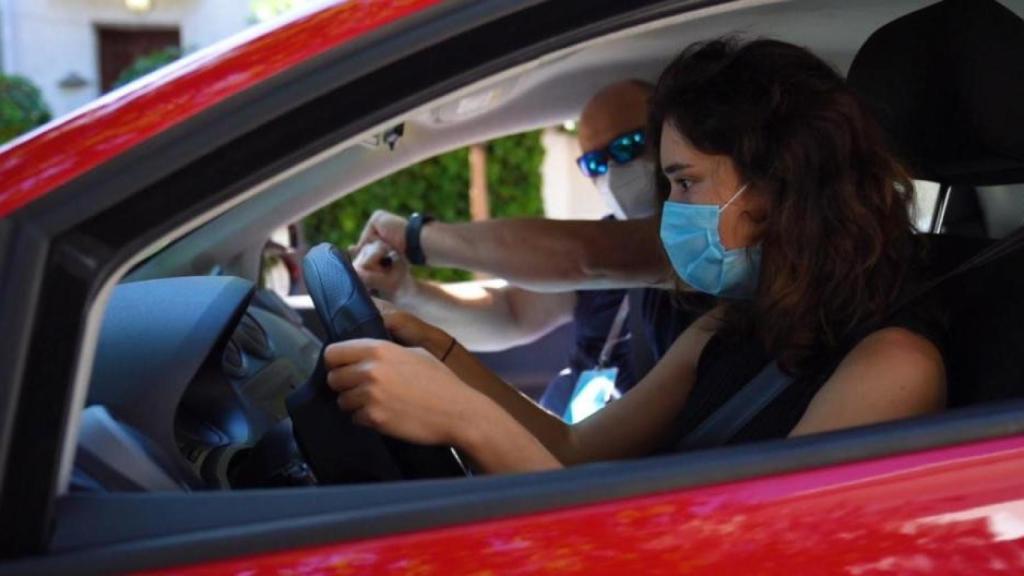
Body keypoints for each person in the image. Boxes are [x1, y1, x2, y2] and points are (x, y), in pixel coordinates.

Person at [326, 38, 947, 474]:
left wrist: (465, 422)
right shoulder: (728, 325)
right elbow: (572, 450)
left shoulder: (894, 365)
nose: (670, 211)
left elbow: (729, 556)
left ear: (775, 183)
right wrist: (440, 351)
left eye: (684, 183)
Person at [354, 80, 671, 421]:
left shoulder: (691, 238)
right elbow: (513, 312)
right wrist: (406, 293)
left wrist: (418, 238)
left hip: (629, 466)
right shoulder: (612, 231)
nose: (612, 170)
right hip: (577, 445)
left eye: (628, 146)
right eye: (594, 163)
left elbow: (582, 258)